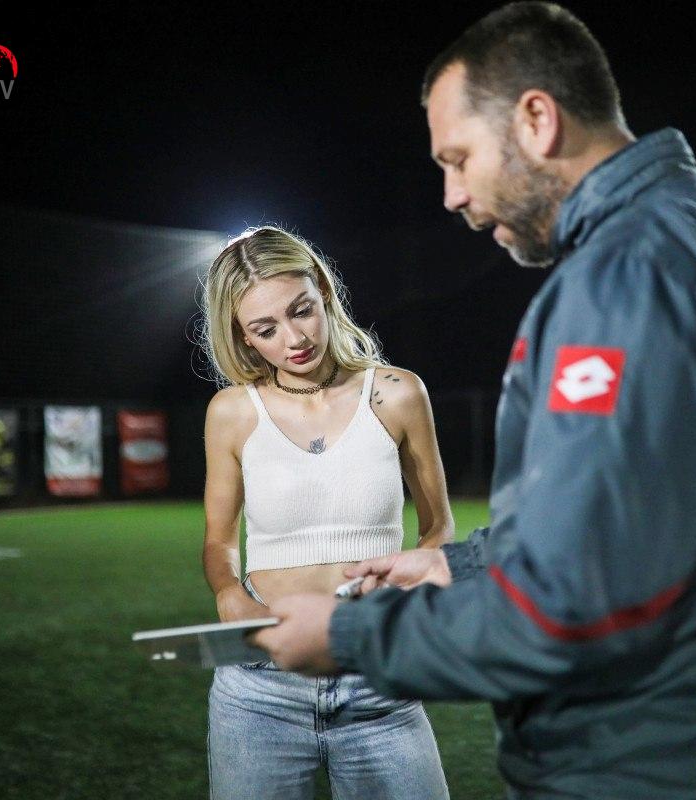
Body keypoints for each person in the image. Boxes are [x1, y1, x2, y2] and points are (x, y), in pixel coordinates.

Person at [252, 4, 696, 798]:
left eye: (458, 158)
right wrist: (456, 565)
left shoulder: (631, 275)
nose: (451, 194)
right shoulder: (679, 232)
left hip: (648, 770)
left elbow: (573, 606)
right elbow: (634, 523)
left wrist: (350, 636)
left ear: (536, 120)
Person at [199, 225, 451, 799]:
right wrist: (228, 593)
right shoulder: (232, 411)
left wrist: (414, 581)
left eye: (302, 310)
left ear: (324, 293)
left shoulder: (397, 393)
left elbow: (437, 526)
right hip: (260, 686)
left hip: (376, 672)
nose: (294, 339)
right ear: (242, 338)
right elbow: (219, 540)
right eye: (266, 329)